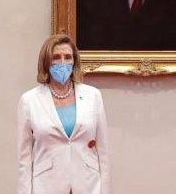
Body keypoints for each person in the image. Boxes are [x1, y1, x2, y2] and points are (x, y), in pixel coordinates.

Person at [17, 34, 110, 193]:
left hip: (87, 184)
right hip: (47, 186)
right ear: (46, 62)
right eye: (56, 57)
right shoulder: (29, 100)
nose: (62, 63)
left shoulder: (93, 96)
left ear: (74, 61)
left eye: (68, 57)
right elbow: (24, 160)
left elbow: (103, 152)